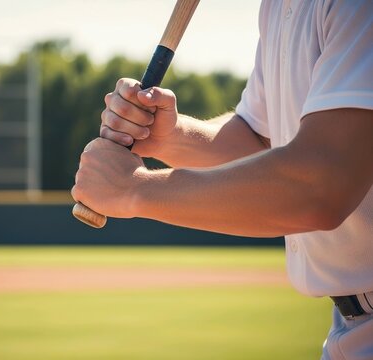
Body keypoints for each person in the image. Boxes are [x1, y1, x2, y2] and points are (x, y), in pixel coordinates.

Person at [71, 1, 372, 358]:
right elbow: (262, 144)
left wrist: (134, 189)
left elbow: (320, 185)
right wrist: (169, 136)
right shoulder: (278, 7)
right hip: (348, 329)